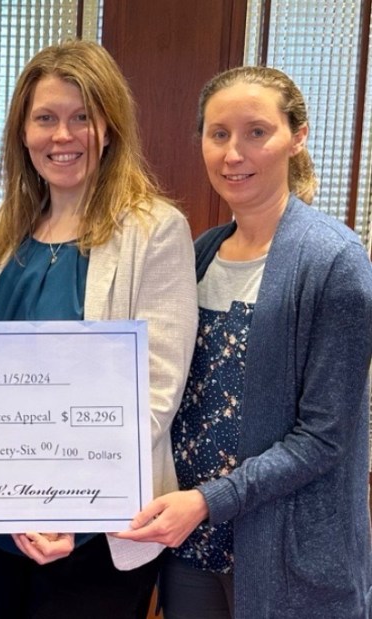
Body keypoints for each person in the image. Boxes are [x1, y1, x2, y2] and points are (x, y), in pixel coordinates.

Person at [116, 66, 372, 618]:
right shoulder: (199, 253)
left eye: (257, 132)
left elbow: (324, 437)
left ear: (297, 137)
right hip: (192, 547)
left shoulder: (335, 262)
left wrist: (209, 501)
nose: (234, 153)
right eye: (219, 134)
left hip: (289, 553)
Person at [0, 40, 197, 618]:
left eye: (81, 118)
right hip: (4, 522)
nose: (62, 136)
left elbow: (154, 394)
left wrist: (70, 502)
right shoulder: (7, 226)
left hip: (96, 528)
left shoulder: (154, 230)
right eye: (45, 118)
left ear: (109, 127)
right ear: (23, 132)